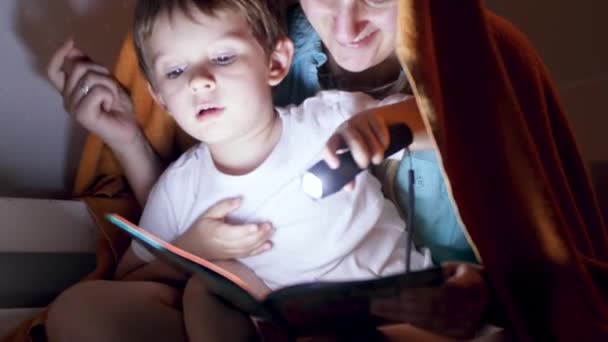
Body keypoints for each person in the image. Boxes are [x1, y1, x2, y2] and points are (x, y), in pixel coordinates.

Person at [44, 0, 489, 341]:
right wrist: (193, 247)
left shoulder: (325, 120)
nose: (199, 80)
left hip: (394, 310)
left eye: (222, 59)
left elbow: (444, 119)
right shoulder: (178, 187)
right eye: (176, 71)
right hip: (278, 324)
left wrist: (380, 127)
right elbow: (131, 278)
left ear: (276, 63)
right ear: (159, 96)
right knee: (128, 303)